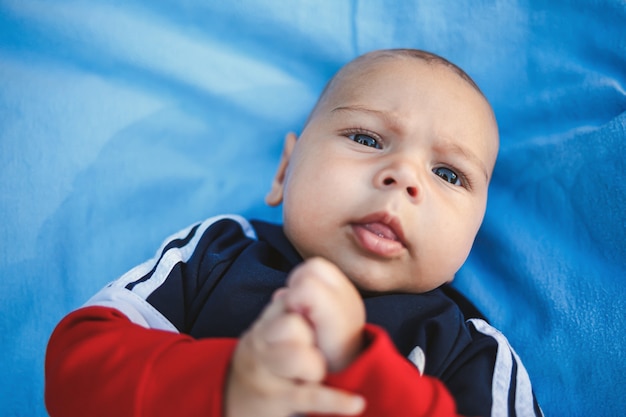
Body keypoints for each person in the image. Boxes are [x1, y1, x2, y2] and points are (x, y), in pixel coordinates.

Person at [45, 49, 542, 417]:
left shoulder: (470, 349)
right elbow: (76, 361)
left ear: (472, 236)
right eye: (367, 138)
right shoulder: (218, 252)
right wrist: (227, 384)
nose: (404, 176)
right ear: (284, 171)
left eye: (449, 174)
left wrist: (357, 366)